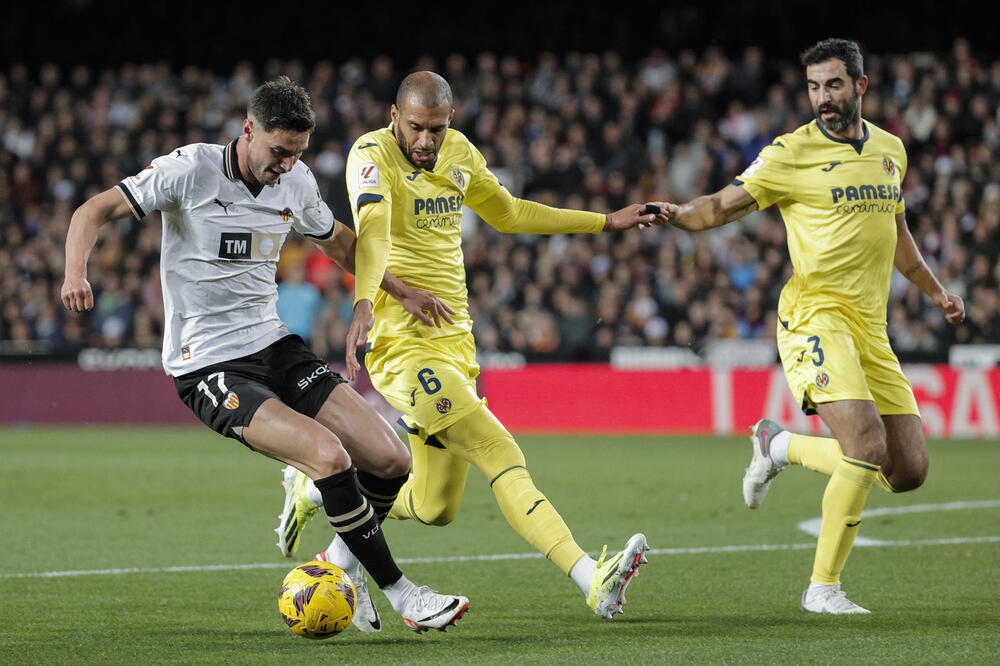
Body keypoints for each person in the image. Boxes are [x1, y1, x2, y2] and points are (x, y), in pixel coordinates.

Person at [61, 76, 470, 634]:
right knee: (329, 457)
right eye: (279, 152)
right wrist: (75, 273)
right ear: (248, 130)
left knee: (393, 460)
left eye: (297, 154)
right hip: (208, 363)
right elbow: (92, 211)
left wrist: (395, 293)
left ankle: (339, 566)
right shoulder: (190, 170)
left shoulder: (296, 181)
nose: (285, 165)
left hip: (274, 345)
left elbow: (342, 243)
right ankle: (403, 594)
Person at [276, 71, 652, 622]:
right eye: (417, 128)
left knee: (434, 507)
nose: (427, 141)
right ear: (393, 116)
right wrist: (364, 302)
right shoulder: (370, 155)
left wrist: (606, 222)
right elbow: (373, 231)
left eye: (437, 128)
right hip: (403, 347)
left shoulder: (457, 153)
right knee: (498, 451)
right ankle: (591, 578)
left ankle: (320, 495)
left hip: (455, 342)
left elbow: (511, 212)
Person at [654, 39, 965, 614]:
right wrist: (677, 214)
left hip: (871, 328)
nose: (823, 98)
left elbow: (897, 235)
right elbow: (721, 207)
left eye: (834, 86)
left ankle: (779, 445)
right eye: (814, 87)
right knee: (866, 445)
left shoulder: (891, 151)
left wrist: (936, 289)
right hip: (814, 317)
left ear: (860, 87)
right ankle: (823, 588)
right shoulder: (790, 153)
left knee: (908, 471)